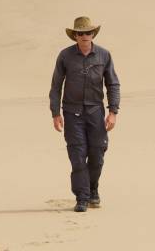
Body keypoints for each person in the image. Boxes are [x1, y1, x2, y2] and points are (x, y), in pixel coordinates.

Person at [49, 16, 120, 212]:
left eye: (87, 32)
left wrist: (113, 111)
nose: (84, 36)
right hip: (72, 113)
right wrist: (55, 113)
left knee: (97, 154)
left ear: (93, 34)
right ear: (75, 36)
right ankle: (82, 197)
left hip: (96, 112)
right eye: (80, 33)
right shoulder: (65, 56)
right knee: (78, 155)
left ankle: (93, 189)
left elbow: (113, 84)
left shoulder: (104, 55)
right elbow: (56, 86)